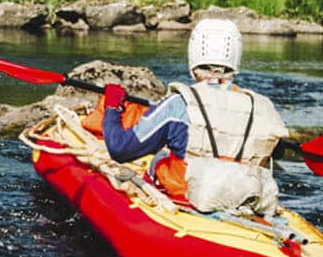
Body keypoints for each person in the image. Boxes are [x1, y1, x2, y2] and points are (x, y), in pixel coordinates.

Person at [96, 19, 290, 217]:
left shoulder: (179, 104)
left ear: (194, 54)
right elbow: (278, 151)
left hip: (186, 200)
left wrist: (112, 107)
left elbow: (120, 149)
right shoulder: (265, 108)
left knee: (160, 159)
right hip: (244, 198)